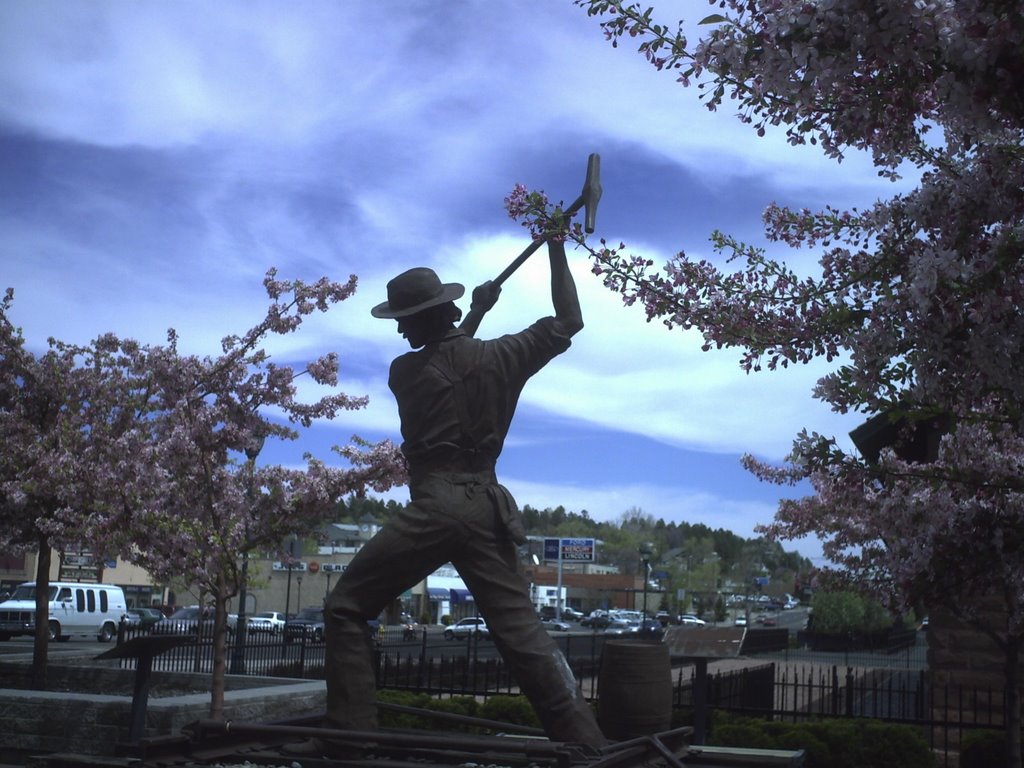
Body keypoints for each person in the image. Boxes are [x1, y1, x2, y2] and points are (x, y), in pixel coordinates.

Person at [290, 232, 606, 754]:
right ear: (450, 309)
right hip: (486, 506)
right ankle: (589, 748)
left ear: (419, 319)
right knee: (523, 637)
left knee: (346, 606)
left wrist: (474, 315)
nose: (399, 329)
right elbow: (567, 320)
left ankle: (350, 742)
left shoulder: (404, 372)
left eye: (403, 320)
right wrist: (555, 249)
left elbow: (443, 364)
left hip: (435, 506)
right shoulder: (502, 356)